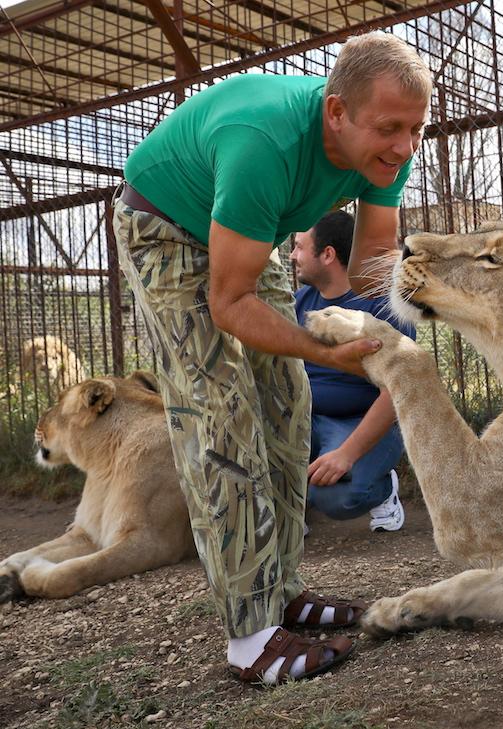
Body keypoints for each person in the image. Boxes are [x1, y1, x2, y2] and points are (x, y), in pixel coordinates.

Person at [110, 32, 432, 685]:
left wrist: (407, 319)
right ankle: (251, 639)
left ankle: (280, 591)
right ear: (337, 113)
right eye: (391, 129)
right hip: (168, 225)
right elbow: (229, 304)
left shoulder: (384, 149)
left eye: (417, 129)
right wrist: (328, 351)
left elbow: (372, 264)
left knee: (288, 405)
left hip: (255, 232)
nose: (404, 146)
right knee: (221, 414)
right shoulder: (268, 142)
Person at [291, 211, 414, 532]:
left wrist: (347, 454)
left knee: (339, 497)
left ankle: (381, 487)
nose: (292, 256)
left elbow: (397, 391)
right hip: (306, 419)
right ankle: (292, 505)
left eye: (299, 247)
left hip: (362, 420)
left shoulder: (383, 307)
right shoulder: (297, 302)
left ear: (327, 254)